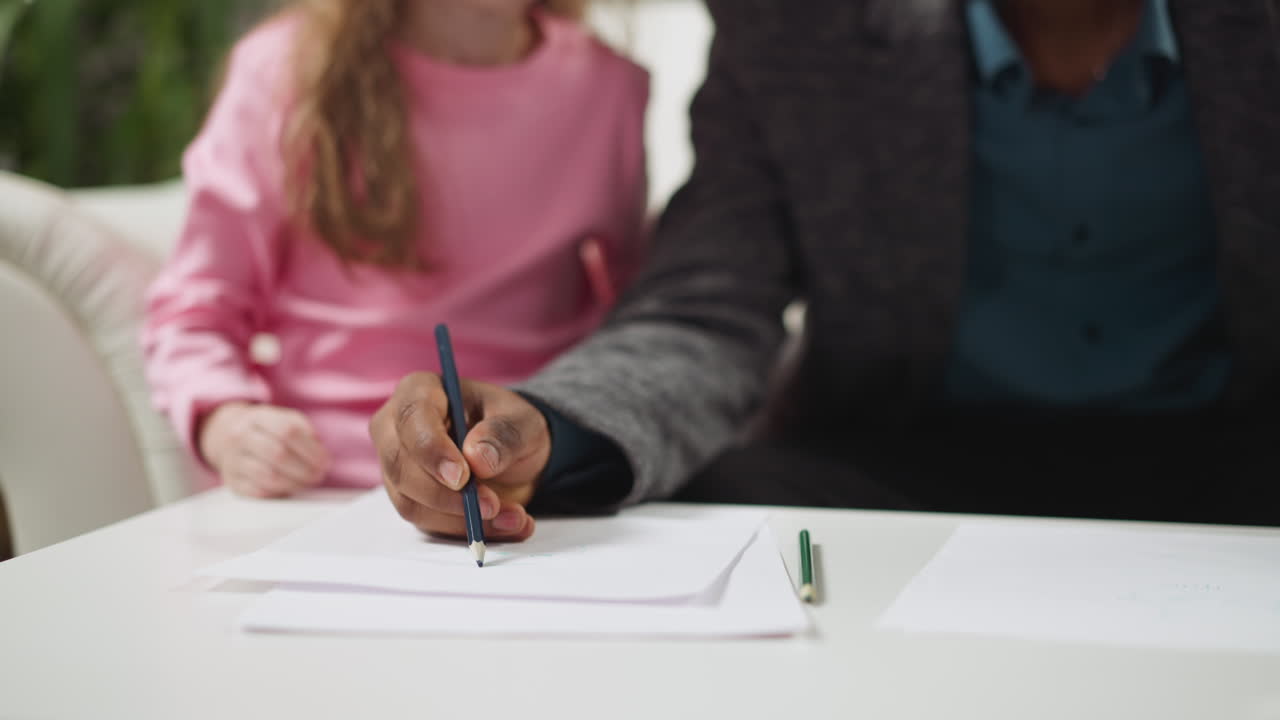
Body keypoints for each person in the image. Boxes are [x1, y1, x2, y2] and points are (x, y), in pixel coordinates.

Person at [372, 0, 1280, 541]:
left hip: (1236, 458)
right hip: (909, 463)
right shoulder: (799, 23)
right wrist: (554, 428)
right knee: (711, 502)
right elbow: (709, 305)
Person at [143, 0, 648, 501]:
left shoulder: (610, 87)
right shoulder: (284, 70)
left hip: (526, 480)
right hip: (323, 482)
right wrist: (228, 424)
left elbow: (642, 318)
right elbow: (194, 312)